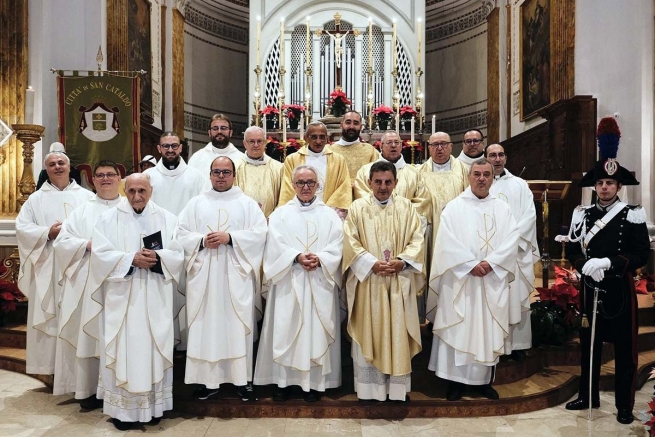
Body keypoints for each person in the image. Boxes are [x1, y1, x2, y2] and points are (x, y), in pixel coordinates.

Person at [89, 173, 183, 430]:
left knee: (153, 347)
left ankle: (154, 407)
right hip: (123, 300)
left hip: (155, 296)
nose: (136, 196)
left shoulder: (168, 218)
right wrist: (130, 259)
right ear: (124, 190)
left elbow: (178, 254)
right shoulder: (108, 219)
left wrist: (157, 257)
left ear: (151, 190)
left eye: (142, 190)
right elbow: (99, 255)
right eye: (131, 191)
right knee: (124, 351)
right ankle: (123, 411)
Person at [563, 158, 649, 425]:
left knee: (625, 350)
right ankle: (588, 396)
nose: (604, 188)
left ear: (619, 186)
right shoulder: (583, 214)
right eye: (599, 183)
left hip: (619, 290)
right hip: (590, 289)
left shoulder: (632, 214)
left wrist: (609, 263)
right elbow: (574, 248)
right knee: (589, 346)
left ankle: (624, 404)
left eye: (609, 183)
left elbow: (641, 253)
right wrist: (585, 264)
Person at [176, 156, 267, 402]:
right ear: (210, 174)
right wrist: (202, 241)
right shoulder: (195, 203)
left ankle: (242, 380)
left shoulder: (247, 204)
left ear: (233, 175)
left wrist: (231, 238)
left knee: (236, 326)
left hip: (236, 277)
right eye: (216, 171)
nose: (221, 176)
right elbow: (180, 233)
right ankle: (207, 381)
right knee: (207, 327)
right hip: (204, 276)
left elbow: (260, 234)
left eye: (226, 172)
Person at [427, 159, 519, 402]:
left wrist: (491, 263)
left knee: (486, 329)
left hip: (491, 279)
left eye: (486, 174)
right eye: (476, 174)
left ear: (492, 178)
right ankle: (454, 382)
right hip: (462, 281)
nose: (481, 179)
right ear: (468, 177)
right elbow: (446, 242)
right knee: (459, 326)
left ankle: (482, 382)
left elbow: (512, 240)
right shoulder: (454, 208)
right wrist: (470, 264)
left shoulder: (503, 209)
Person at [254, 165, 343, 402]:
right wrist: (296, 257)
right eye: (301, 183)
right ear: (293, 186)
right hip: (288, 280)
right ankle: (284, 383)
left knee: (315, 331)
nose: (305, 187)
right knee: (285, 329)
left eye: (310, 183)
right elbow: (274, 244)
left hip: (319, 281)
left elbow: (338, 245)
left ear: (318, 185)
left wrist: (321, 258)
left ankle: (314, 384)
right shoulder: (281, 214)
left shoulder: (330, 215)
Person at [343, 161, 425, 402]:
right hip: (369, 283)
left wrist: (402, 261)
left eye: (388, 182)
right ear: (368, 183)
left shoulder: (407, 208)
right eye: (377, 182)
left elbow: (417, 239)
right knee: (370, 331)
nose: (383, 187)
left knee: (397, 333)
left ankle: (397, 391)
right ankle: (370, 391)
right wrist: (371, 263)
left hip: (399, 281)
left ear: (396, 183)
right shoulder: (357, 208)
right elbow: (350, 242)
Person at [16, 151, 94, 376]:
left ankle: (78, 372)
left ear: (70, 167)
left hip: (78, 266)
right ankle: (49, 368)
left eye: (61, 163)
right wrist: (47, 233)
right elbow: (22, 229)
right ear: (46, 169)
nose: (57, 167)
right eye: (52, 164)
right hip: (48, 265)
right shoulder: (35, 199)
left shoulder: (87, 197)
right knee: (50, 315)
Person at [52, 160, 122, 408]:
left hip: (118, 286)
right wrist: (86, 245)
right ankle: (89, 390)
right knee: (90, 336)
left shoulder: (129, 208)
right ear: (93, 180)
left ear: (119, 178)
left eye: (110, 175)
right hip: (87, 282)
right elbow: (62, 243)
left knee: (115, 337)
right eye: (100, 175)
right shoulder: (82, 210)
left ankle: (115, 389)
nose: (105, 179)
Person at [144, 131, 209, 349]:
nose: (170, 150)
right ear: (159, 149)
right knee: (162, 295)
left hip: (187, 244)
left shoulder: (196, 177)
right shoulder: (149, 177)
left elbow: (203, 209)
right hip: (159, 245)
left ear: (181, 148)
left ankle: (186, 345)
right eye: (166, 146)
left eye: (174, 146)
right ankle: (163, 344)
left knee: (187, 294)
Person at [486, 144, 539, 361]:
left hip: (515, 253)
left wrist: (509, 244)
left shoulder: (520, 185)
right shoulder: (479, 183)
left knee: (515, 296)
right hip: (489, 255)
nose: (497, 159)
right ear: (486, 158)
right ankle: (491, 343)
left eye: (500, 155)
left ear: (506, 158)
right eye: (492, 155)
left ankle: (517, 345)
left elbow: (529, 216)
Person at [279, 121, 351, 218]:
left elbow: (343, 186)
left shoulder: (338, 160)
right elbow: (288, 187)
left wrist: (328, 210)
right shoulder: (292, 160)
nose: (318, 141)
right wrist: (297, 208)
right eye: (314, 137)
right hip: (299, 212)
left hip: (330, 214)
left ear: (327, 139)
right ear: (306, 138)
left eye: (322, 137)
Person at [354, 131, 431, 222]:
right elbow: (362, 198)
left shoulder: (414, 173)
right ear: (381, 146)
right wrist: (384, 213)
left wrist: (402, 216)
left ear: (401, 146)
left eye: (397, 142)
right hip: (374, 222)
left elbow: (422, 201)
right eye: (389, 142)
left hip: (405, 225)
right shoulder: (365, 171)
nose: (393, 145)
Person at [417, 131, 469, 245]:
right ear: (429, 148)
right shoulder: (419, 172)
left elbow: (470, 198)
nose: (439, 148)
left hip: (457, 225)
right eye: (435, 145)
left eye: (444, 144)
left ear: (451, 146)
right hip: (430, 228)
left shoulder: (464, 170)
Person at [234, 126, 284, 218]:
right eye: (252, 141)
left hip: (270, 223)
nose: (256, 145)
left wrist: (273, 218)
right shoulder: (234, 167)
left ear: (265, 143)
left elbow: (283, 198)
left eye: (259, 141)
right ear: (245, 144)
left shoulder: (278, 168)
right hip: (242, 222)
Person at [330, 111, 379, 182]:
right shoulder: (330, 150)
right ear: (341, 125)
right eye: (348, 122)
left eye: (356, 123)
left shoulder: (370, 151)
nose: (351, 126)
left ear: (361, 127)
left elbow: (376, 178)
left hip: (362, 192)